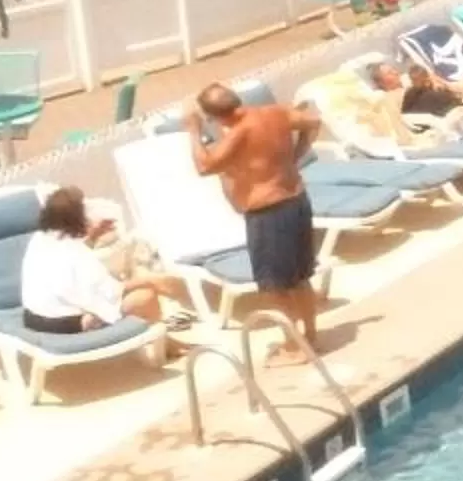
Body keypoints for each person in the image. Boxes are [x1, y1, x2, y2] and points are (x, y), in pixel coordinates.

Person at [188, 81, 325, 360]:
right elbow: (314, 121)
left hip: (268, 213)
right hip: (296, 200)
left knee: (274, 288)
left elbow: (204, 165)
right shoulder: (274, 113)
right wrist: (295, 157)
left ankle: (294, 345)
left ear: (214, 116)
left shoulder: (239, 132)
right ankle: (309, 336)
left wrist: (193, 130)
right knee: (300, 279)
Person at [18, 188, 189, 340]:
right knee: (145, 296)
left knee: (130, 285)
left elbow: (69, 270)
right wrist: (151, 281)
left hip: (34, 318)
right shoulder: (74, 253)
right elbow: (109, 292)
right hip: (65, 324)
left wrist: (92, 235)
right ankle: (166, 346)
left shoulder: (39, 239)